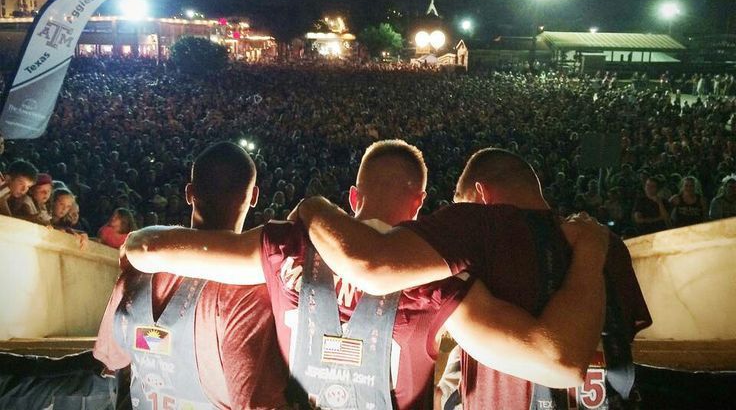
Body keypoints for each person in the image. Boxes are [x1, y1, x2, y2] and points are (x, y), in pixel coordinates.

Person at [126, 140, 609, 409]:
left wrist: (313, 210)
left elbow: (148, 247)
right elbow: (558, 360)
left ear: (353, 198)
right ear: (420, 207)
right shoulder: (442, 287)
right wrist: (590, 248)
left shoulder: (283, 247)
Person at [299, 147, 651, 409]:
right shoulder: (605, 244)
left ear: (480, 195)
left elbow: (371, 264)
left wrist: (313, 207)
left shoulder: (478, 224)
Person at [94, 141, 288, 409]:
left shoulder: (136, 268)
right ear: (254, 197)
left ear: (189, 193)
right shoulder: (247, 291)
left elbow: (110, 360)